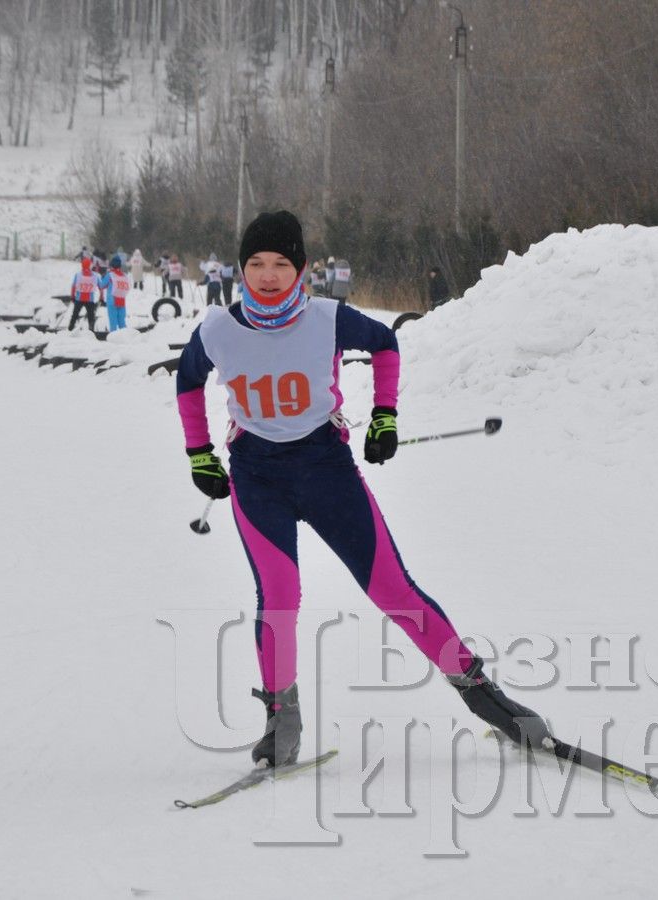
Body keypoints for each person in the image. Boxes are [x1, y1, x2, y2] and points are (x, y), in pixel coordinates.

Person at [174, 210, 545, 768]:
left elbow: (386, 345)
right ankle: (282, 722)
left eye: (281, 264)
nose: (268, 276)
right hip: (258, 477)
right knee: (278, 597)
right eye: (256, 264)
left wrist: (385, 417)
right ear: (241, 269)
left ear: (300, 269)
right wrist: (199, 453)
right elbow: (187, 378)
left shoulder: (327, 318)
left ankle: (487, 699)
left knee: (394, 591)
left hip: (326, 469)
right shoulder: (218, 329)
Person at [68, 256, 100, 332]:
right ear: (90, 265)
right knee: (91, 316)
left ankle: (70, 328)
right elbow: (101, 286)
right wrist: (101, 297)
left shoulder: (78, 275)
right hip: (90, 299)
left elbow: (73, 286)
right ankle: (91, 330)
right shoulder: (95, 275)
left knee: (75, 314)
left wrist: (72, 296)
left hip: (79, 298)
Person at [102, 255, 131, 332]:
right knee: (122, 322)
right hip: (121, 300)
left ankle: (113, 339)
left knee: (113, 322)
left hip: (112, 301)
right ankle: (125, 336)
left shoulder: (110, 275)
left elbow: (102, 285)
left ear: (111, 265)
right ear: (120, 265)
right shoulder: (124, 275)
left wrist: (103, 276)